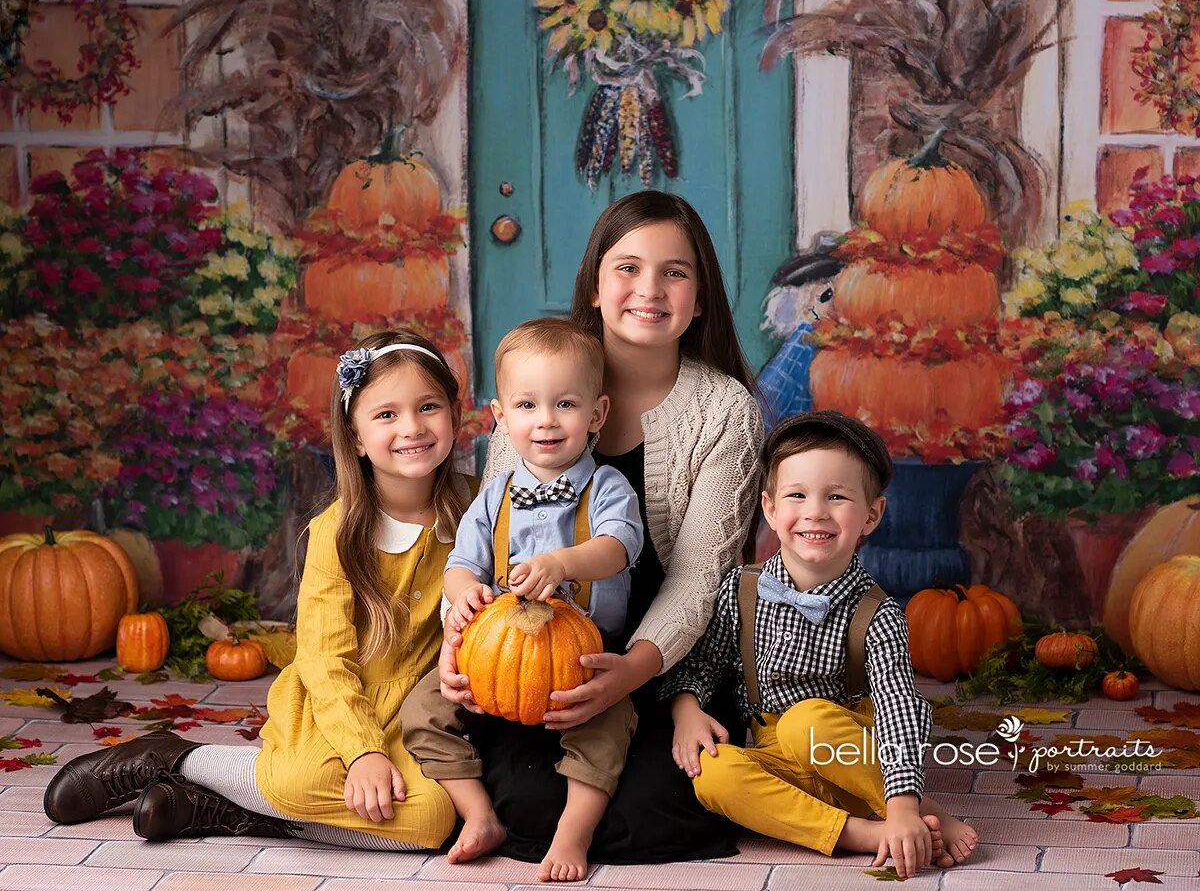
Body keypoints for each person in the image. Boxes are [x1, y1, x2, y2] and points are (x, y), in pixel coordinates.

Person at [43, 330, 474, 852]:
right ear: (356, 437)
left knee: (430, 820)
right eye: (386, 414)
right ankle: (173, 756)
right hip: (341, 698)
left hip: (419, 709)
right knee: (298, 782)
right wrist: (362, 752)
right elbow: (325, 659)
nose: (412, 428)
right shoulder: (338, 532)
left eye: (428, 407)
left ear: (454, 413)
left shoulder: (479, 508)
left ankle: (228, 808)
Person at [439, 190, 765, 864]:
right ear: (594, 285)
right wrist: (461, 637)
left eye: (675, 271)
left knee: (656, 806)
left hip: (667, 660)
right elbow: (487, 543)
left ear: (699, 298)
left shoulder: (725, 411)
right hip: (545, 646)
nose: (650, 289)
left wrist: (628, 675)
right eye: (629, 268)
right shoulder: (536, 386)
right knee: (520, 795)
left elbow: (700, 577)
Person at [665, 409, 979, 878]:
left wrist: (901, 801)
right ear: (770, 509)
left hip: (850, 756)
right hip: (780, 762)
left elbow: (898, 710)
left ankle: (906, 810)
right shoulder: (740, 591)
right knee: (713, 774)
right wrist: (685, 710)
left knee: (805, 721)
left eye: (837, 497)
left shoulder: (878, 614)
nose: (815, 512)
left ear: (871, 515)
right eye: (797, 495)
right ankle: (864, 834)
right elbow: (702, 663)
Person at [401, 317, 643, 882]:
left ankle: (572, 833)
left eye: (565, 404)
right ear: (501, 417)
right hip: (499, 655)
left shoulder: (607, 488)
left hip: (582, 659)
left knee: (608, 728)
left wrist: (562, 563)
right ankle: (479, 815)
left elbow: (617, 547)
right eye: (528, 406)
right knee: (422, 710)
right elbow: (461, 564)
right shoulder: (494, 497)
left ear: (597, 415)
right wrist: (464, 599)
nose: (547, 421)